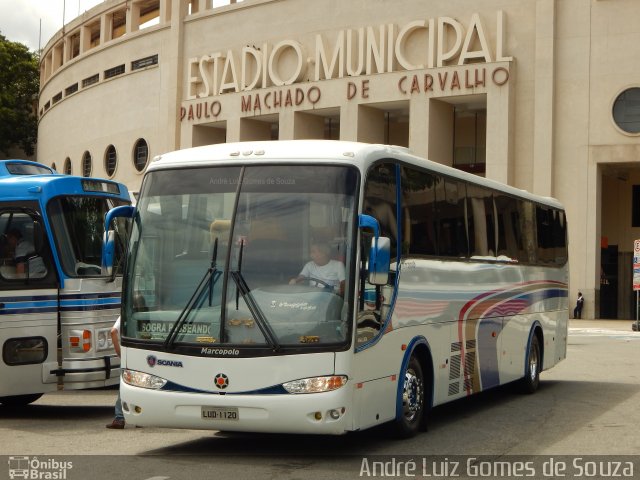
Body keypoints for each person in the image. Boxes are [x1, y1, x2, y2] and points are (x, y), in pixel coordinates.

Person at [106, 316, 125, 429]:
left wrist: (118, 351)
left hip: (127, 355)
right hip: (142, 354)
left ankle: (119, 418)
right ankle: (139, 419)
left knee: (123, 386)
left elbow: (113, 332)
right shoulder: (147, 315)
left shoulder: (125, 314)